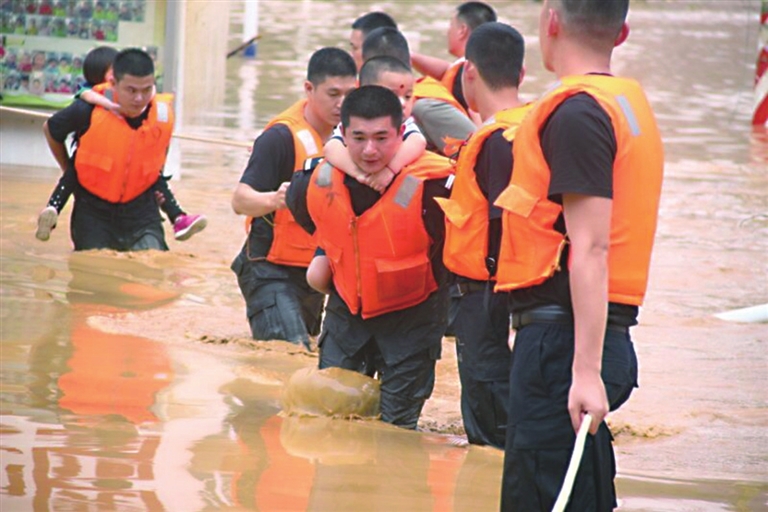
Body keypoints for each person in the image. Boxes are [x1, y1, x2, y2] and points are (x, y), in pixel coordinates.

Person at [493, 0, 664, 510]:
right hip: (579, 335)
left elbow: (591, 244)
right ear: (622, 32)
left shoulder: (578, 112)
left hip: (565, 346)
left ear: (550, 21)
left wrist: (584, 370)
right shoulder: (624, 104)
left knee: (539, 493)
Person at [286, 85, 454, 429]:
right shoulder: (313, 181)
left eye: (382, 137)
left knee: (397, 433)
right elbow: (311, 220)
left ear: (401, 131)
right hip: (346, 312)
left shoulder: (438, 185)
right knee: (330, 426)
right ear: (342, 133)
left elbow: (460, 252)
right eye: (359, 137)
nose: (370, 150)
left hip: (414, 318)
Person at [435, 22, 530, 450]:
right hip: (508, 294)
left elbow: (505, 223)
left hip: (490, 294)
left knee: (491, 427)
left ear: (468, 71)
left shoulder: (496, 141)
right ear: (522, 73)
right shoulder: (530, 125)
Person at [230, 47, 357, 349]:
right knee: (290, 354)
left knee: (312, 355)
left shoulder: (356, 138)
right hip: (268, 268)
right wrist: (276, 199)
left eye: (349, 94)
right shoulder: (280, 138)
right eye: (333, 94)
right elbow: (239, 199)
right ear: (309, 89)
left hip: (313, 274)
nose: (342, 104)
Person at [36, 46, 207, 243]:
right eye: (131, 90)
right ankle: (52, 210)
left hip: (142, 210)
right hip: (93, 210)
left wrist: (153, 177)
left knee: (152, 264)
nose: (138, 98)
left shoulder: (160, 113)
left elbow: (162, 150)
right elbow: (51, 129)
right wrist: (68, 169)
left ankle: (178, 217)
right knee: (94, 266)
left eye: (145, 90)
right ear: (112, 83)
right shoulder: (87, 108)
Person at [306, 55, 427, 292]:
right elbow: (331, 148)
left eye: (408, 96)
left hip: (392, 226)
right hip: (346, 222)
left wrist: (389, 172)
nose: (401, 103)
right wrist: (359, 174)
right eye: (394, 95)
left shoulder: (406, 124)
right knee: (316, 275)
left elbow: (418, 141)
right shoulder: (351, 122)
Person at [361, 26, 477, 158]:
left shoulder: (425, 107)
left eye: (407, 96)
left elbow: (479, 152)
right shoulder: (357, 111)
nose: (402, 103)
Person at [411, 2, 497, 103]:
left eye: (451, 25)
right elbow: (448, 70)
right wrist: (409, 56)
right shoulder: (485, 64)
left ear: (462, 30)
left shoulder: (467, 73)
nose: (447, 32)